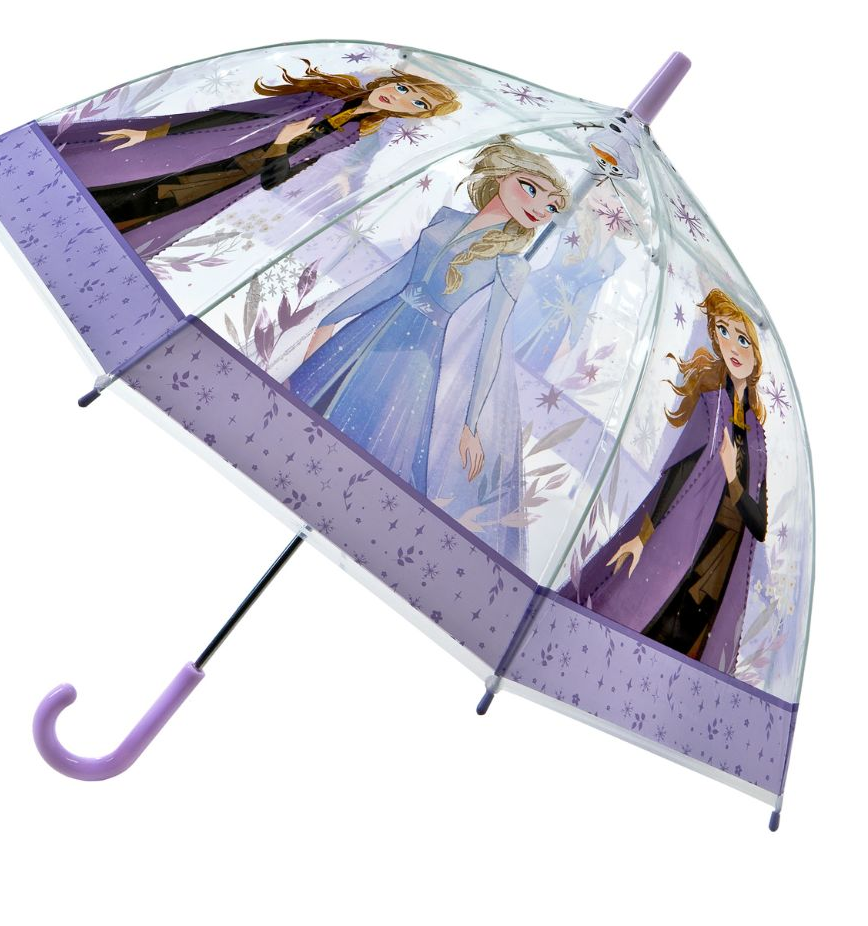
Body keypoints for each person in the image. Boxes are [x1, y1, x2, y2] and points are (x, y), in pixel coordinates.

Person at [286, 136, 570, 496]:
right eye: (530, 188)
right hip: (368, 329)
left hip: (415, 358)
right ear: (501, 175)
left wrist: (471, 423)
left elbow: (492, 345)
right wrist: (331, 319)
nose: (540, 208)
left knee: (366, 446)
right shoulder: (446, 218)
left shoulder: (512, 267)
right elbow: (395, 278)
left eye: (552, 206)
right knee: (302, 413)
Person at [41, 60, 460, 260]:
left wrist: (283, 145)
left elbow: (275, 178)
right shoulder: (320, 97)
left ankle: (62, 247)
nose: (401, 98)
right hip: (196, 156)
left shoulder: (351, 134)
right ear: (392, 81)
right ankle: (45, 216)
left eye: (417, 104)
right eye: (405, 88)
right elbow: (232, 115)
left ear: (415, 117)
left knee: (133, 218)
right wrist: (152, 133)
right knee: (104, 189)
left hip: (217, 186)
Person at [559, 289, 768, 673]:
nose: (732, 346)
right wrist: (644, 535)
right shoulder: (710, 406)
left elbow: (759, 523)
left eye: (742, 339)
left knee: (685, 648)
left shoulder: (756, 436)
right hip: (684, 542)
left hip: (723, 561)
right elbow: (678, 474)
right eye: (723, 332)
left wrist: (732, 476)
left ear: (756, 356)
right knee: (648, 619)